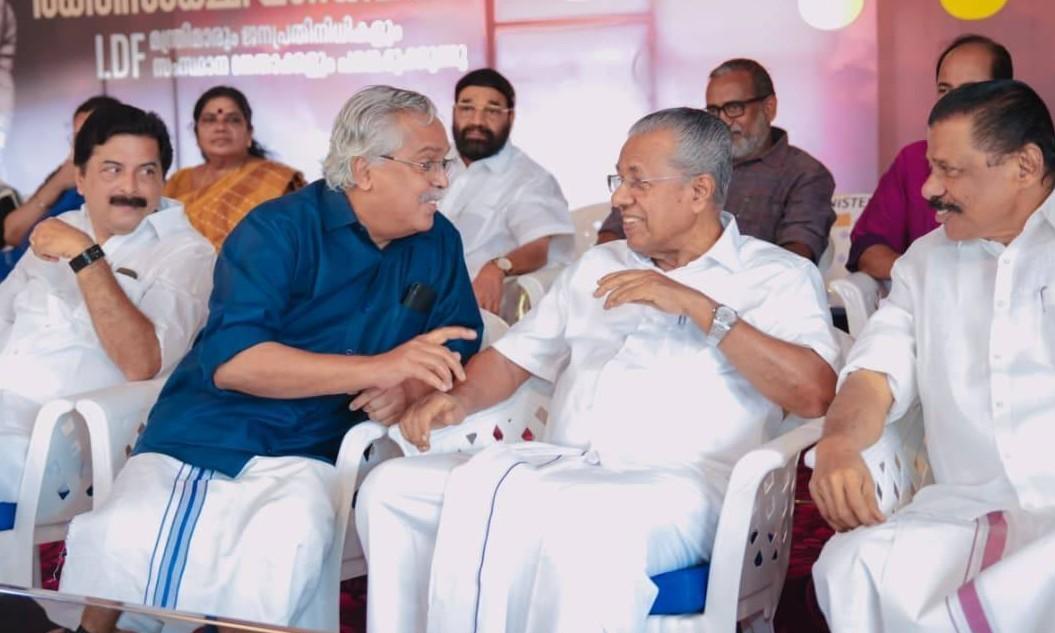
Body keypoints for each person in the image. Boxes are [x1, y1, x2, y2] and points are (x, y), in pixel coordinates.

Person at [357, 107, 840, 633]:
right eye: (619, 180)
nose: (619, 199)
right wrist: (459, 400)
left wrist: (702, 310)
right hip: (560, 465)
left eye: (638, 182)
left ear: (699, 191)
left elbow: (814, 394)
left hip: (684, 488)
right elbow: (514, 357)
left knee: (578, 521)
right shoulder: (598, 265)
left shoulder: (777, 276)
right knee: (395, 489)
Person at [60, 85, 483, 632]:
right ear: (365, 170)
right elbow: (236, 363)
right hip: (214, 431)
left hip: (318, 446)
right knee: (129, 534)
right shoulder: (278, 230)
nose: (443, 181)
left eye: (444, 164)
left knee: (284, 541)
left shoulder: (437, 241)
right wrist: (381, 368)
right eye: (427, 164)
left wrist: (408, 388)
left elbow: (460, 337)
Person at [810, 80, 1055, 632]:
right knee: (851, 564)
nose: (928, 189)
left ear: (1025, 166)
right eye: (931, 167)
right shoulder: (925, 262)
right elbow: (873, 374)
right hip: (965, 512)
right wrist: (839, 442)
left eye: (950, 170)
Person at [0, 103, 214, 534]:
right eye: (112, 170)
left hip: (72, 443)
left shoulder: (186, 253)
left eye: (147, 172)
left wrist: (86, 256)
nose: (130, 188)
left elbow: (142, 362)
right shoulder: (62, 224)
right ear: (79, 178)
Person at [598, 59, 836, 264]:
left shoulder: (805, 173)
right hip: (653, 280)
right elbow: (611, 236)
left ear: (768, 107)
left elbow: (797, 257)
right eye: (713, 111)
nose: (723, 121)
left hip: (748, 293)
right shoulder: (686, 160)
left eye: (734, 108)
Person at [847, 34, 1014, 280]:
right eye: (944, 90)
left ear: (1005, 96)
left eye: (968, 91)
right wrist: (931, 279)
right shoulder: (913, 160)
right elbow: (869, 250)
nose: (952, 103)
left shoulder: (1027, 165)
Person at [440, 68, 574, 313]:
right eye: (467, 108)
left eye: (492, 111)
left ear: (510, 117)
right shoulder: (430, 162)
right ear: (454, 112)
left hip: (475, 304)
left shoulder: (530, 179)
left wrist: (498, 267)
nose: (477, 121)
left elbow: (538, 249)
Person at [164, 85, 305, 249]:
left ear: (249, 132)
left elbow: (298, 238)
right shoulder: (178, 181)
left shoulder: (276, 181)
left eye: (233, 120)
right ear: (196, 133)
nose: (221, 128)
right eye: (210, 120)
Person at [1, 95, 122, 279]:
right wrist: (58, 182)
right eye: (77, 137)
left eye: (89, 135)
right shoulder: (63, 174)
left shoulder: (119, 188)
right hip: (14, 268)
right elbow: (12, 232)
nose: (81, 145)